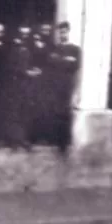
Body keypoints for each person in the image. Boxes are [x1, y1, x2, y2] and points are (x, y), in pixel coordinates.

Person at [0, 24, 37, 150]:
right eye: (23, 34)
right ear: (19, 34)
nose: (25, 36)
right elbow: (10, 67)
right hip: (15, 85)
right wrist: (26, 72)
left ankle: (23, 139)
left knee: (25, 112)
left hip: (27, 86)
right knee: (14, 112)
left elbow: (31, 63)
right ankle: (13, 141)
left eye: (27, 34)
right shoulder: (13, 48)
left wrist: (33, 70)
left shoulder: (30, 48)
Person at [48, 22, 81, 153]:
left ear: (69, 32)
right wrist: (65, 61)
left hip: (68, 85)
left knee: (66, 113)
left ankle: (65, 142)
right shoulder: (54, 49)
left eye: (65, 32)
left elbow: (76, 67)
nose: (63, 34)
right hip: (56, 85)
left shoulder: (75, 50)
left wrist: (76, 91)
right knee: (55, 111)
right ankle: (55, 140)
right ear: (58, 33)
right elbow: (52, 64)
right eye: (61, 32)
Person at [30, 22, 55, 145]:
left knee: (45, 108)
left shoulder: (52, 46)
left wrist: (44, 71)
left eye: (48, 30)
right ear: (40, 30)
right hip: (34, 79)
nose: (46, 32)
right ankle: (32, 137)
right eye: (44, 29)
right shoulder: (32, 44)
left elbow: (52, 62)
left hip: (47, 80)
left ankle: (43, 137)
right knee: (33, 106)